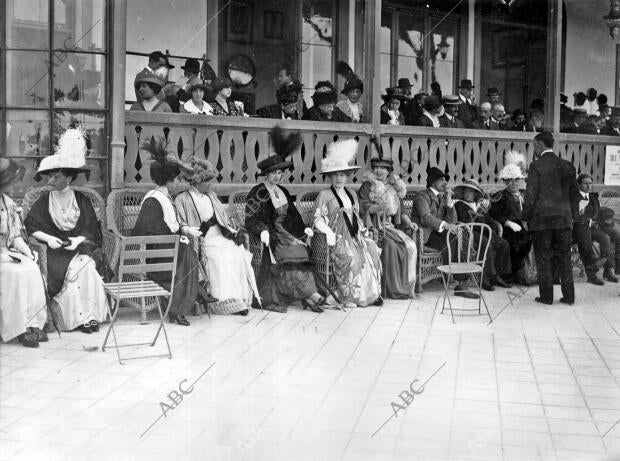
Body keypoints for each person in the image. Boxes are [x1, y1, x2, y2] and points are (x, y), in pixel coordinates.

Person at [24, 127, 108, 333]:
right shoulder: (44, 200)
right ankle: (77, 320)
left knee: (87, 267)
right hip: (53, 252)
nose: (51, 181)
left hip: (79, 249)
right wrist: (48, 239)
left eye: (56, 178)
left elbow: (91, 230)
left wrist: (78, 241)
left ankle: (91, 316)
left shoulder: (81, 200)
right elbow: (30, 226)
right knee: (70, 271)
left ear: (68, 179)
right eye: (50, 177)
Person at [131, 137, 217, 326]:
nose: (179, 183)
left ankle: (187, 302)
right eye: (177, 180)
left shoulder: (166, 197)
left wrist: (186, 230)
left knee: (187, 251)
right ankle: (181, 306)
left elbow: (173, 225)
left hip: (167, 251)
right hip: (154, 255)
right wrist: (178, 239)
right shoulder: (153, 200)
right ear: (169, 181)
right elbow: (151, 233)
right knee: (186, 252)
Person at [245, 126, 328, 313]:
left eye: (279, 173)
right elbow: (251, 218)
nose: (277, 176)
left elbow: (293, 216)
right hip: (273, 236)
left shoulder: (283, 191)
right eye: (273, 173)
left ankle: (309, 295)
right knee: (289, 255)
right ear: (266, 174)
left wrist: (303, 229)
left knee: (301, 250)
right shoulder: (257, 192)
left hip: (288, 233)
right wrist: (262, 230)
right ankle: (310, 296)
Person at [175, 158, 259, 315]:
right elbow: (181, 224)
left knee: (235, 253)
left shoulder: (212, 195)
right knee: (219, 259)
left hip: (219, 236)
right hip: (202, 240)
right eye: (207, 181)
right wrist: (198, 229)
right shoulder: (182, 199)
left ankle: (238, 299)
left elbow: (223, 219)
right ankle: (222, 302)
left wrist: (232, 232)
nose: (210, 184)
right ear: (196, 181)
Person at [313, 139, 382, 308]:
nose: (339, 178)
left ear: (347, 176)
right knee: (352, 258)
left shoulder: (352, 193)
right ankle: (351, 296)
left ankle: (372, 294)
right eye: (335, 175)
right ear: (329, 176)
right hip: (337, 237)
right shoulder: (324, 195)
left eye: (342, 174)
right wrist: (328, 232)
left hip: (354, 235)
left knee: (372, 249)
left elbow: (356, 217)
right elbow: (318, 219)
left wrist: (364, 232)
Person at [523, 132, 578, 305]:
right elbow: (575, 195)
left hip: (542, 222)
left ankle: (546, 297)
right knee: (564, 259)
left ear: (539, 144)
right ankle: (569, 297)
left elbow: (530, 196)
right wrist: (572, 217)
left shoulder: (536, 166)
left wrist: (525, 217)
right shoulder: (567, 165)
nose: (534, 149)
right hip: (564, 220)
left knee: (543, 258)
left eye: (534, 145)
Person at [0, 158, 48, 348]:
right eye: (10, 182)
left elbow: (15, 236)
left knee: (31, 269)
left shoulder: (9, 204)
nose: (13, 185)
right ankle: (18, 328)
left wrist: (28, 252)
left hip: (7, 253)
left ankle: (33, 324)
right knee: (16, 274)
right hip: (1, 257)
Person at [411, 167, 478, 299]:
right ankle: (456, 280)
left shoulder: (442, 197)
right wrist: (445, 225)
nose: (445, 183)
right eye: (441, 180)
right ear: (432, 182)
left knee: (454, 237)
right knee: (449, 240)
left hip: (438, 234)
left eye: (445, 180)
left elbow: (452, 221)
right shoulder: (422, 196)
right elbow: (425, 217)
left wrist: (449, 204)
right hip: (424, 235)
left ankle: (460, 282)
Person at [358, 157, 418, 299]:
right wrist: (376, 208)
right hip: (374, 226)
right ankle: (392, 289)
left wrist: (409, 223)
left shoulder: (394, 186)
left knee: (409, 246)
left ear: (388, 171)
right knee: (390, 246)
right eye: (376, 167)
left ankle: (407, 287)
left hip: (390, 226)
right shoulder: (368, 186)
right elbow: (362, 206)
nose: (379, 170)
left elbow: (402, 210)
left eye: (383, 168)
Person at [453, 179, 512, 290]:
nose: (467, 194)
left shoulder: (479, 205)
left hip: (484, 231)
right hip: (469, 233)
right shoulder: (459, 205)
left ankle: (499, 276)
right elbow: (466, 221)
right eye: (466, 191)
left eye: (471, 192)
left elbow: (488, 219)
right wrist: (482, 224)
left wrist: (492, 228)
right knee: (485, 244)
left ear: (475, 194)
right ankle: (484, 278)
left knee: (504, 244)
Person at [489, 152, 533, 285]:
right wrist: (507, 222)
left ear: (520, 180)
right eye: (509, 180)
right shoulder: (500, 196)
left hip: (526, 228)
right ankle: (515, 273)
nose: (513, 183)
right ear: (504, 181)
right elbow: (494, 214)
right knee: (522, 241)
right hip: (509, 230)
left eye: (516, 180)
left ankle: (531, 273)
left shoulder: (525, 194)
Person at [572, 174, 616, 284]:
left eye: (590, 183)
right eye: (585, 183)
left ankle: (608, 270)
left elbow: (600, 213)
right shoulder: (574, 198)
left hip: (592, 228)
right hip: (578, 229)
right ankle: (592, 274)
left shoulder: (593, 197)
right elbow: (574, 216)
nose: (588, 186)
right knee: (586, 240)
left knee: (606, 237)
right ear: (579, 184)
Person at [598, 207, 620, 274]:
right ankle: (608, 270)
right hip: (592, 227)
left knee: (618, 237)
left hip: (604, 226)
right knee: (606, 239)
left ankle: (618, 268)